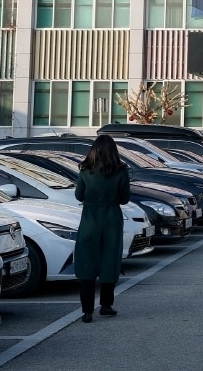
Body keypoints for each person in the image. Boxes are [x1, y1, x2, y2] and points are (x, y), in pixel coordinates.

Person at [74, 134, 132, 322]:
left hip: (90, 220)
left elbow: (79, 195)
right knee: (109, 262)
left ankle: (87, 311)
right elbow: (125, 199)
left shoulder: (86, 170)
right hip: (112, 220)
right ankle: (106, 305)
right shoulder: (121, 171)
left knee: (87, 263)